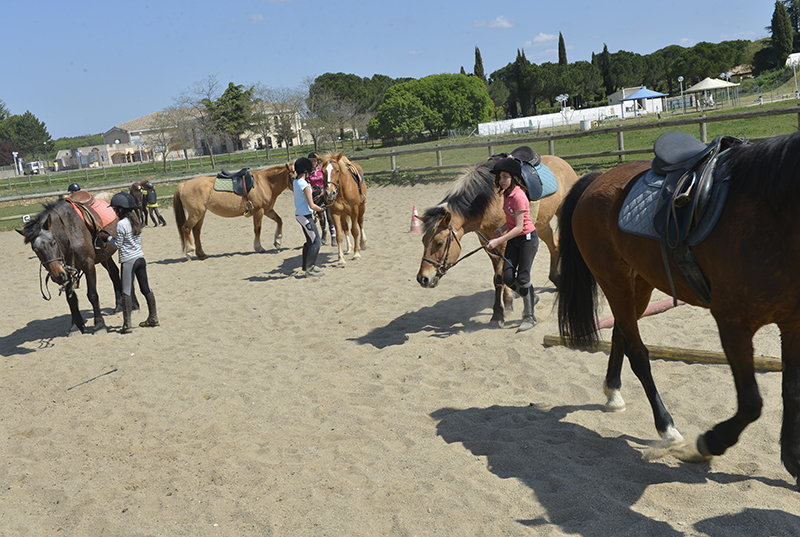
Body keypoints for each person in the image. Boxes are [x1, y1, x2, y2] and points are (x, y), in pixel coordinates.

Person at [484, 157, 539, 332]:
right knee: (507, 277)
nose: (502, 180)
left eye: (505, 177)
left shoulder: (519, 196)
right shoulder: (507, 194)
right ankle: (530, 295)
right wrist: (500, 230)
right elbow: (511, 221)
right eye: (500, 177)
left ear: (513, 177)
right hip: (514, 240)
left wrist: (498, 240)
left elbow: (519, 227)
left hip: (527, 240)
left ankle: (529, 317)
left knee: (523, 278)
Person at [102, 192, 159, 333]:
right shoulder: (135, 220)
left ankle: (127, 325)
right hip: (140, 258)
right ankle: (153, 317)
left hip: (128, 260)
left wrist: (107, 237)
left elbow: (118, 244)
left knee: (126, 291)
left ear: (120, 209)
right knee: (146, 288)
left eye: (115, 209)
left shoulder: (121, 224)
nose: (114, 212)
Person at [291, 157, 325, 277]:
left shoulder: (295, 182)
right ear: (306, 171)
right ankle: (310, 269)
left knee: (310, 241)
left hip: (300, 215)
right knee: (316, 242)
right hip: (305, 216)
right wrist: (322, 209)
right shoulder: (305, 185)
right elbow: (312, 205)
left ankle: (306, 266)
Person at [308, 152, 336, 242]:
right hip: (316, 195)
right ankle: (324, 232)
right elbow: (308, 184)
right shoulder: (309, 173)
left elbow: (327, 180)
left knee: (329, 215)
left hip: (325, 193)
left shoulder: (322, 170)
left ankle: (333, 235)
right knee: (321, 216)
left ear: (317, 161)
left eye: (314, 161)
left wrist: (324, 190)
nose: (313, 162)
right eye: (311, 161)